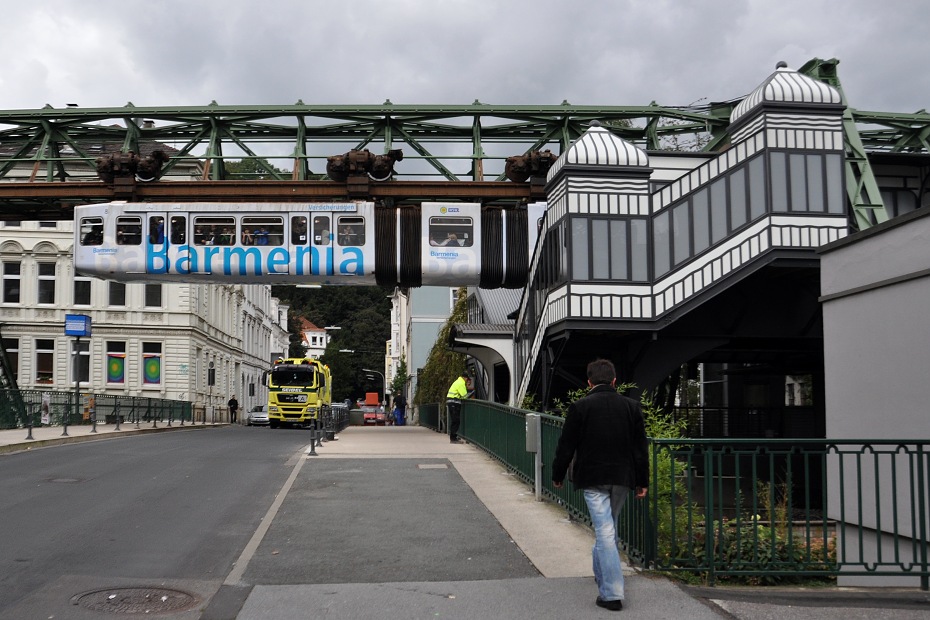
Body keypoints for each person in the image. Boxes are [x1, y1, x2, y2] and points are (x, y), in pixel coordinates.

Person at [551, 359, 648, 613]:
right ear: (614, 381)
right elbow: (640, 449)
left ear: (589, 382)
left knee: (605, 531)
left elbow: (566, 446)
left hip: (592, 478)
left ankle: (612, 593)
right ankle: (602, 576)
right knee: (608, 528)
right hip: (622, 478)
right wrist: (642, 481)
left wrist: (557, 474)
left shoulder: (580, 407)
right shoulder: (632, 407)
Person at [445, 373, 469, 443]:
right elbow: (464, 395)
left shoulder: (457, 381)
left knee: (455, 420)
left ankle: (454, 436)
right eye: (467, 379)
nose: (467, 381)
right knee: (456, 420)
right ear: (465, 378)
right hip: (454, 403)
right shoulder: (461, 383)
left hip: (452, 402)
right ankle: (453, 438)